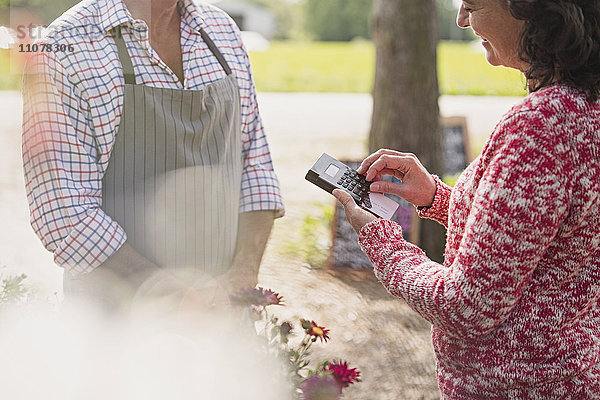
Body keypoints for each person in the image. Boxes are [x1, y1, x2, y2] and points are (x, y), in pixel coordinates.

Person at [334, 0, 600, 398]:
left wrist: (380, 239)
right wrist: (437, 198)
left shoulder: (540, 127)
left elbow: (466, 307)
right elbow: (540, 240)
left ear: (531, 9)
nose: (461, 19)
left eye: (472, 5)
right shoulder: (586, 109)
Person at [22, 0, 284, 309]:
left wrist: (241, 277)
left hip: (222, 313)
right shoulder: (64, 47)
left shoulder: (222, 30)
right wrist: (181, 299)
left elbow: (256, 170)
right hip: (118, 322)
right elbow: (64, 214)